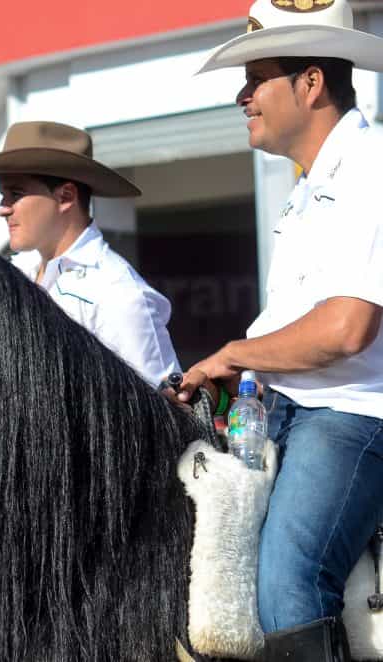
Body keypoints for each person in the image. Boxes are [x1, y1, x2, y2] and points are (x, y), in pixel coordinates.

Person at [178, 1, 383, 658]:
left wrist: (235, 352)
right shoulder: (308, 189)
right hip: (295, 408)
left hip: (352, 413)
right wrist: (214, 372)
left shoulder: (373, 164)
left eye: (257, 76)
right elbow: (289, 328)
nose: (244, 95)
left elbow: (348, 327)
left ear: (311, 83)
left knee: (287, 580)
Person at [0, 121, 180, 385]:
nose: (3, 208)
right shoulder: (17, 274)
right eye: (3, 195)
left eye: (16, 194)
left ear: (66, 196)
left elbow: (156, 417)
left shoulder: (118, 294)